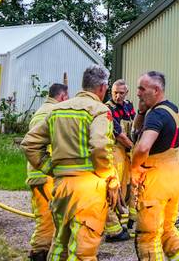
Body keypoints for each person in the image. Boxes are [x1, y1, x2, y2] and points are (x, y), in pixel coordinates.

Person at [22, 66, 118, 261]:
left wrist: (51, 168)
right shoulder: (100, 110)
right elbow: (100, 146)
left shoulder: (57, 109)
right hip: (89, 189)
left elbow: (29, 144)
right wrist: (109, 177)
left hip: (61, 187)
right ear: (102, 88)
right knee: (83, 248)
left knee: (61, 242)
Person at [129, 71, 179, 261]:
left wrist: (134, 167)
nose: (138, 93)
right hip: (173, 177)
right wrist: (140, 111)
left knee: (148, 237)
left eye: (142, 89)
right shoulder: (173, 109)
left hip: (155, 181)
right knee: (167, 230)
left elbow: (143, 146)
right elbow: (135, 132)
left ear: (156, 90)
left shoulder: (156, 115)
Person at [25, 83, 69, 261]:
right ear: (63, 97)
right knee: (47, 218)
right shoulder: (52, 113)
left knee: (47, 216)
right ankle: (39, 253)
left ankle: (42, 250)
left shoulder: (42, 110)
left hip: (38, 174)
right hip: (45, 175)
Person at [104, 79, 135, 242]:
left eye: (121, 93)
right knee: (115, 189)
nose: (117, 95)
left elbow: (135, 125)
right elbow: (119, 134)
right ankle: (113, 226)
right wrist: (135, 148)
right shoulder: (108, 108)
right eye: (115, 92)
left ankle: (124, 221)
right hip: (116, 150)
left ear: (126, 93)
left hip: (127, 152)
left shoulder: (129, 106)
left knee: (128, 186)